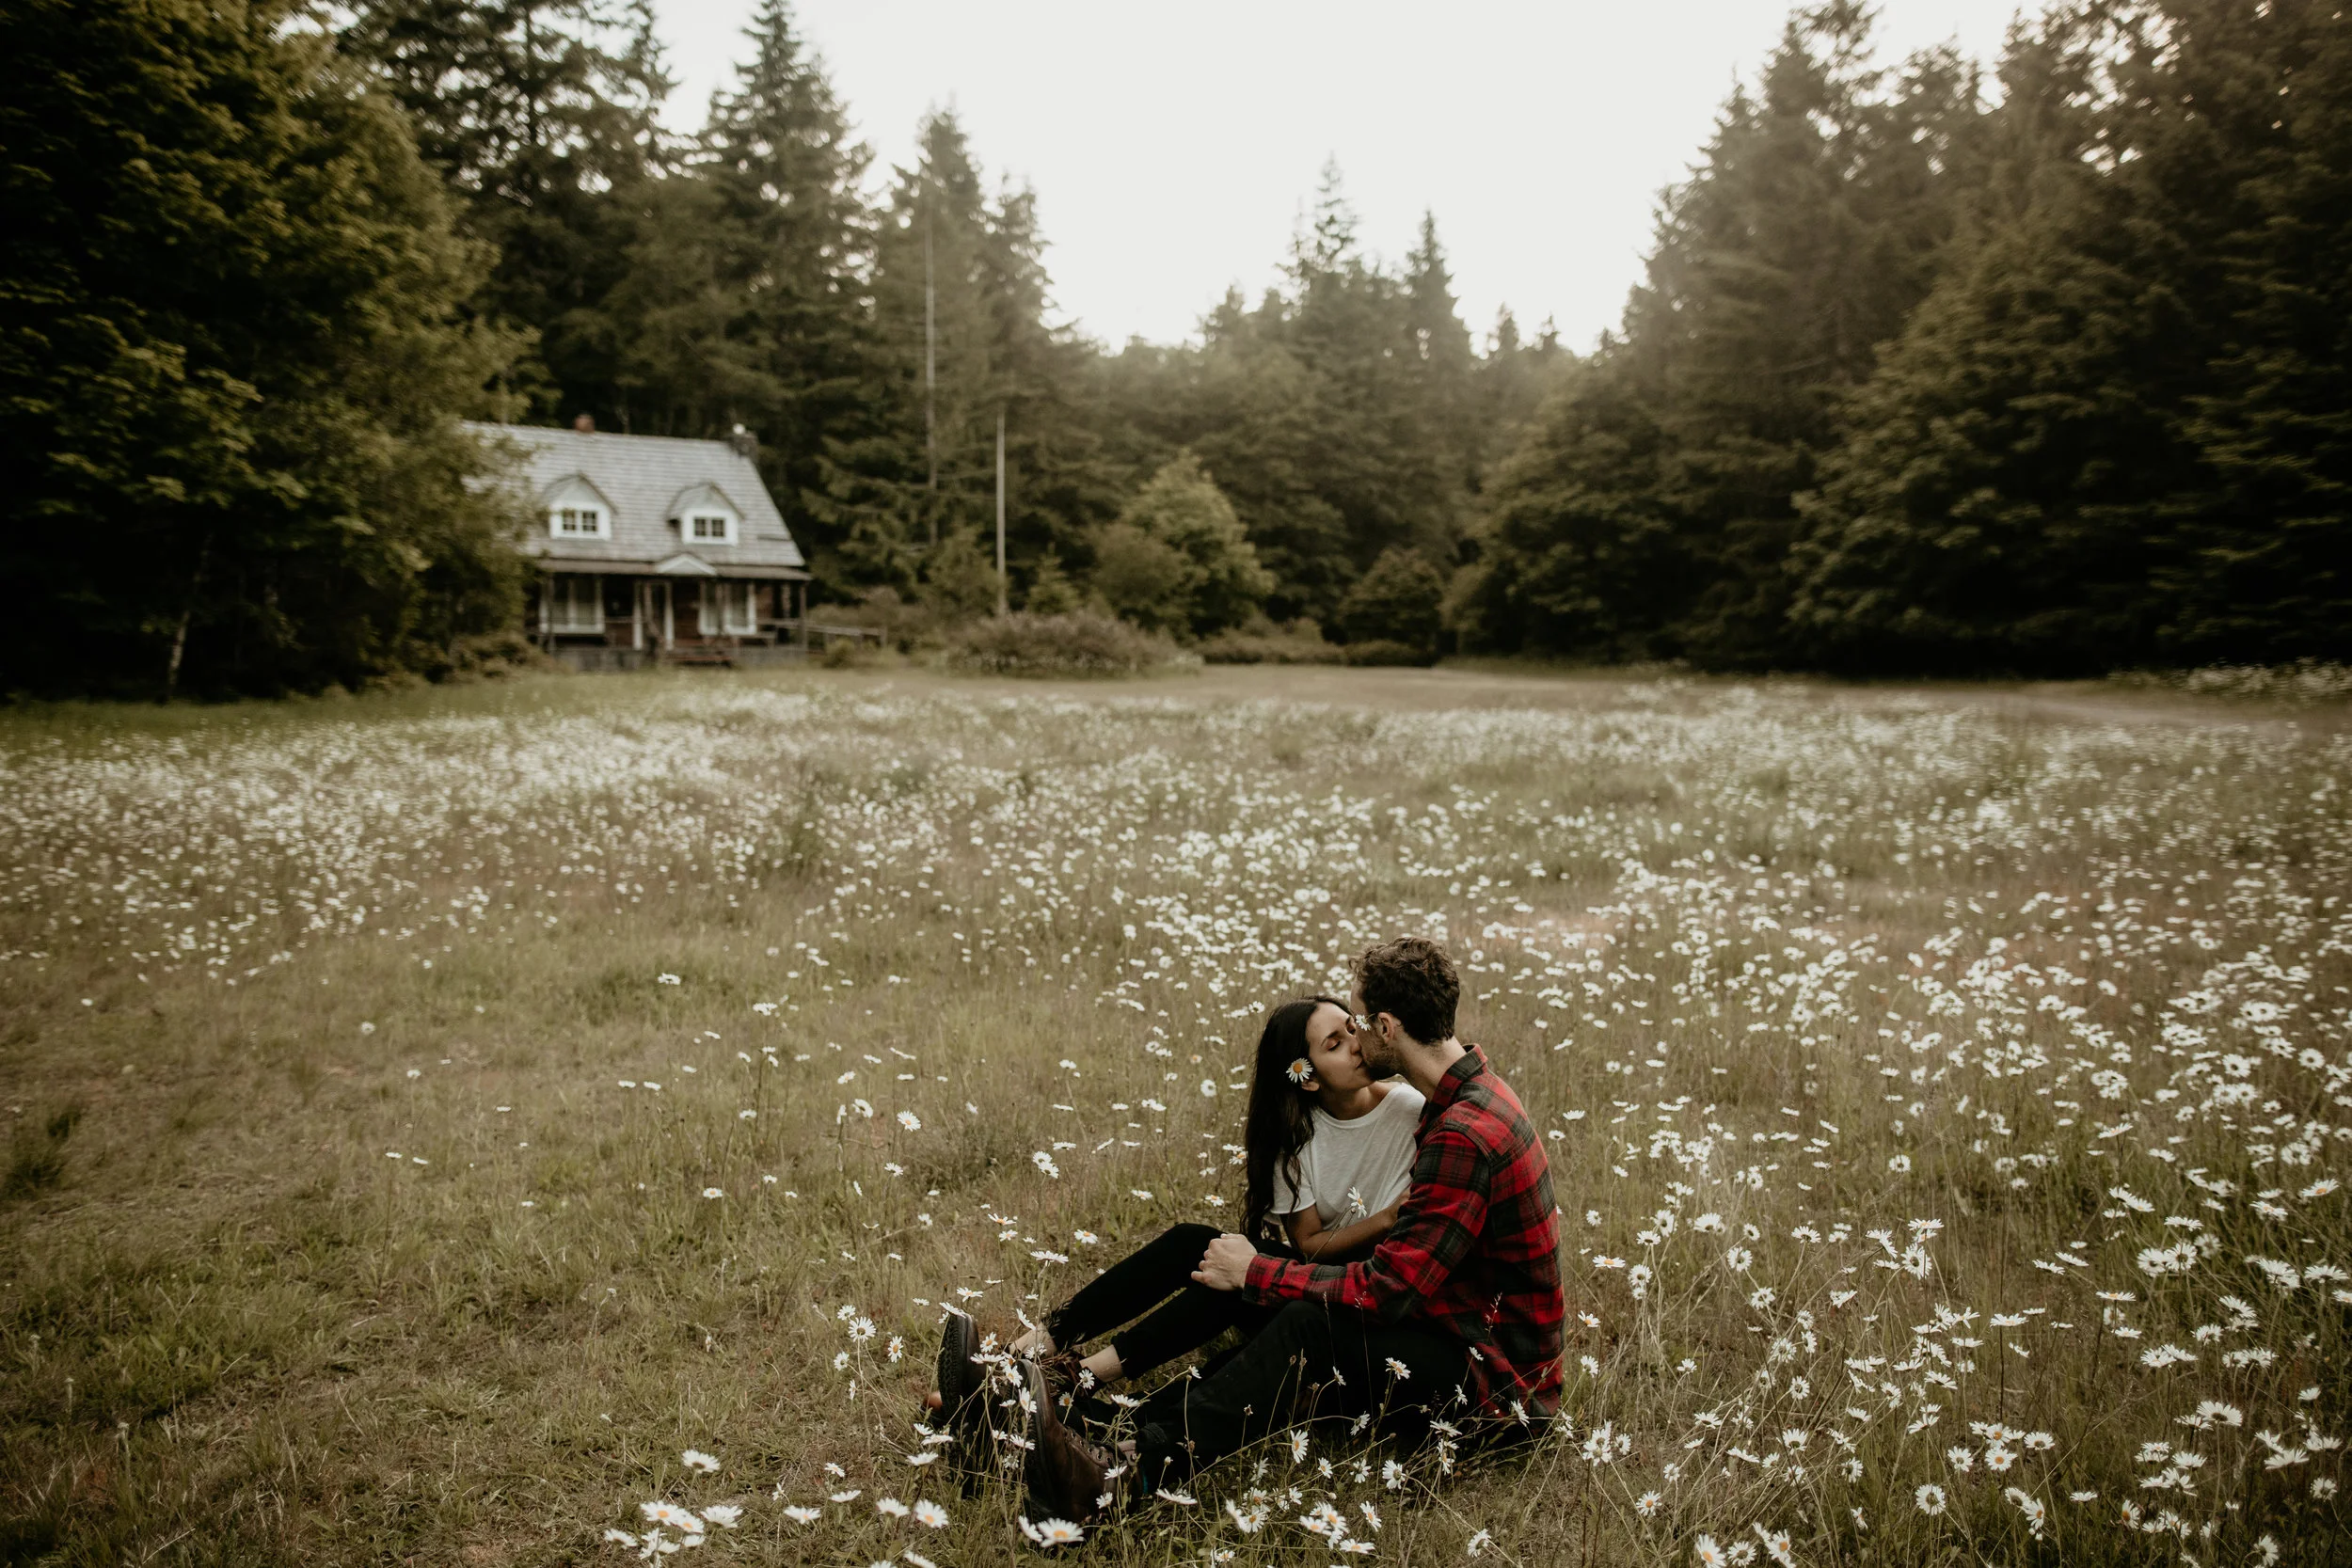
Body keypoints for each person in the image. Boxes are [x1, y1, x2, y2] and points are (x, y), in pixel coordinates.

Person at [1022, 936, 1565, 1525]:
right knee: (1215, 1254)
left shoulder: (1462, 1132)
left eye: (1357, 1023)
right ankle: (1059, 1389)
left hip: (1496, 1389)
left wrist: (1257, 1272)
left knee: (1307, 1323)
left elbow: (1387, 1292)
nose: (1354, 1036)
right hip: (1446, 1329)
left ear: (1385, 1026)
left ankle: (1122, 1471)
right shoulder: (1463, 1098)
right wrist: (1259, 1273)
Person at [929, 993, 1424, 1465]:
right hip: (1310, 1280)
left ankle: (1070, 1389)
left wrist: (1387, 1221)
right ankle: (1022, 1358)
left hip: (1356, 1303)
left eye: (1351, 1028)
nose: (1357, 1043)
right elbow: (1311, 1246)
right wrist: (1382, 1217)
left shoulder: (1409, 1111)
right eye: (1334, 1044)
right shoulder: (1296, 1135)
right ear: (1309, 1079)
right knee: (1201, 1246)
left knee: (1234, 1278)